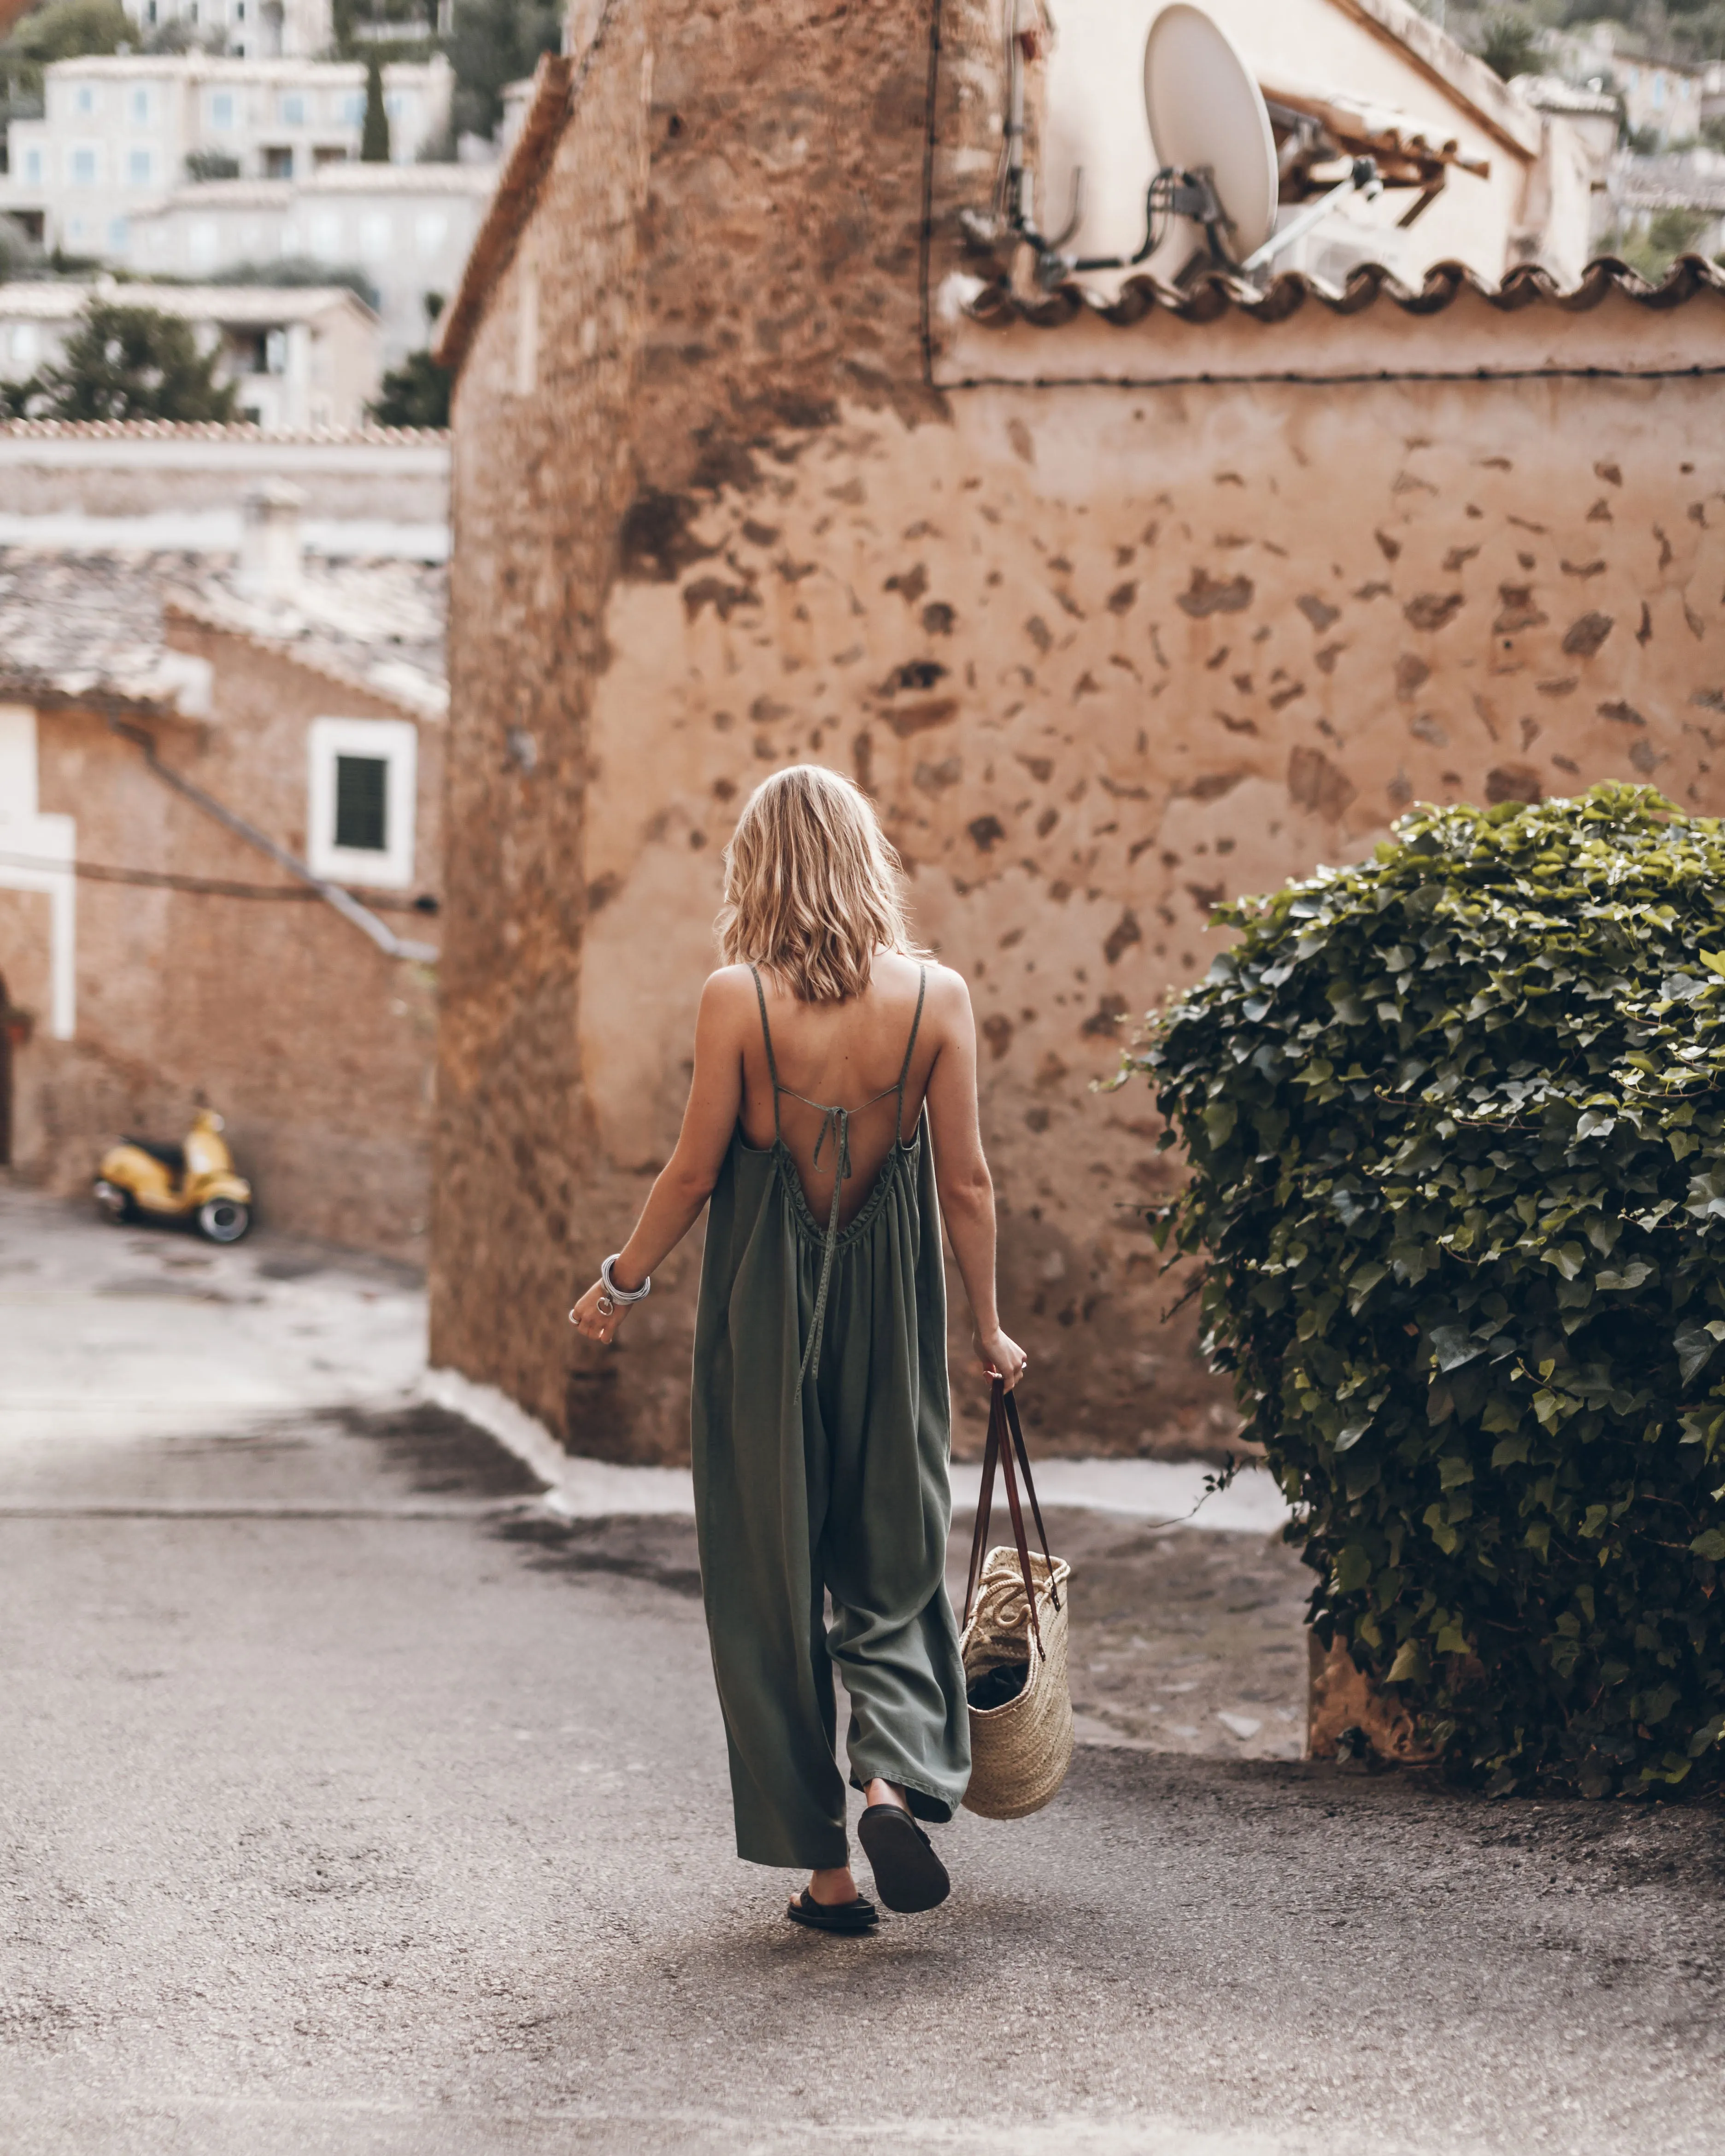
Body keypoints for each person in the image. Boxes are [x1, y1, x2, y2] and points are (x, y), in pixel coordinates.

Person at [569, 765, 1027, 1933]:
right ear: (865, 859)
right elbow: (967, 1181)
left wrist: (624, 1280)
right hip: (893, 1315)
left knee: (766, 1583)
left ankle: (825, 1875)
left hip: (763, 1316)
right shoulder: (938, 999)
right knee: (893, 1562)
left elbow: (696, 1169)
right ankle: (887, 1779)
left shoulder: (738, 999)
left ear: (757, 867)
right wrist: (986, 1325)